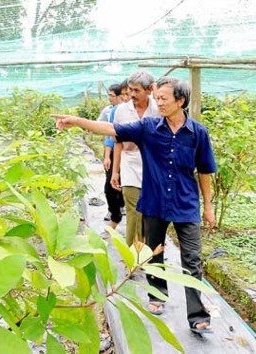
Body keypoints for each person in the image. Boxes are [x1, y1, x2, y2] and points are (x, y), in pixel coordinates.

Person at [52, 77, 216, 334]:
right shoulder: (148, 128)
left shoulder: (198, 133)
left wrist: (208, 206)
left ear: (180, 101)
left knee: (192, 260)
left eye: (163, 98)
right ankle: (157, 296)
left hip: (186, 204)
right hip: (154, 201)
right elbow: (110, 129)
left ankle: (197, 315)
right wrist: (77, 122)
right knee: (153, 253)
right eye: (157, 98)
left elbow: (205, 171)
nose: (158, 102)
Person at [111, 71, 158, 246]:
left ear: (149, 90)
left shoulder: (159, 109)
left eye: (136, 90)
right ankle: (132, 253)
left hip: (153, 167)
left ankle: (149, 250)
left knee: (150, 212)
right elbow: (118, 143)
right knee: (134, 210)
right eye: (130, 90)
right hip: (130, 165)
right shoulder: (122, 111)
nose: (131, 95)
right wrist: (115, 172)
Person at [97, 84, 125, 228]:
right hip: (116, 151)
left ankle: (122, 206)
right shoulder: (113, 111)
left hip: (132, 155)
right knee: (110, 185)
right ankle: (115, 214)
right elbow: (111, 136)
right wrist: (107, 156)